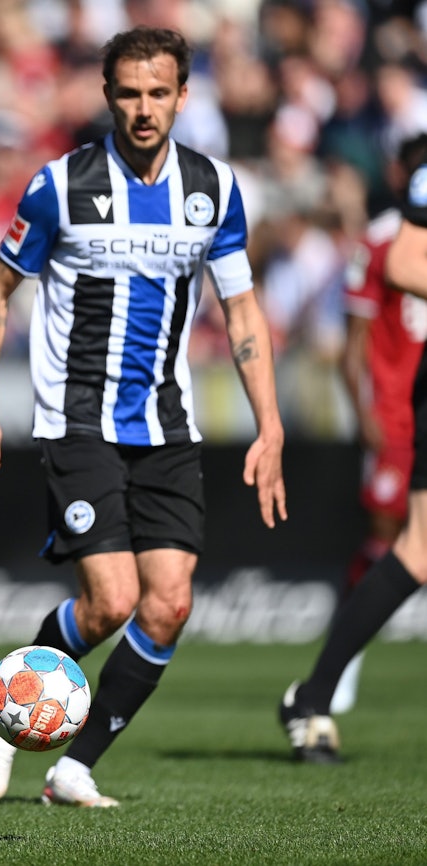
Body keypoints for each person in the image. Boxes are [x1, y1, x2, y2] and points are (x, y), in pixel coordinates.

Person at [0, 26, 287, 807]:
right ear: (107, 96)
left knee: (169, 604)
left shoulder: (213, 188)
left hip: (168, 425)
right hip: (78, 420)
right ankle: (3, 705)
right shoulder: (58, 185)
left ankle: (73, 769)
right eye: (129, 93)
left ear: (182, 95)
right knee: (109, 601)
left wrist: (268, 426)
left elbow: (241, 312)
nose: (144, 109)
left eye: (158, 93)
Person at [279, 139, 427, 763]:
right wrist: (366, 409)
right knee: (409, 547)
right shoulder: (397, 219)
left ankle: (315, 694)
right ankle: (318, 694)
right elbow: (403, 260)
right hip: (401, 408)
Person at [329, 133, 427, 716]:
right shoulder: (383, 242)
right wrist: (363, 411)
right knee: (387, 538)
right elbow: (353, 344)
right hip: (397, 413)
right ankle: (342, 663)